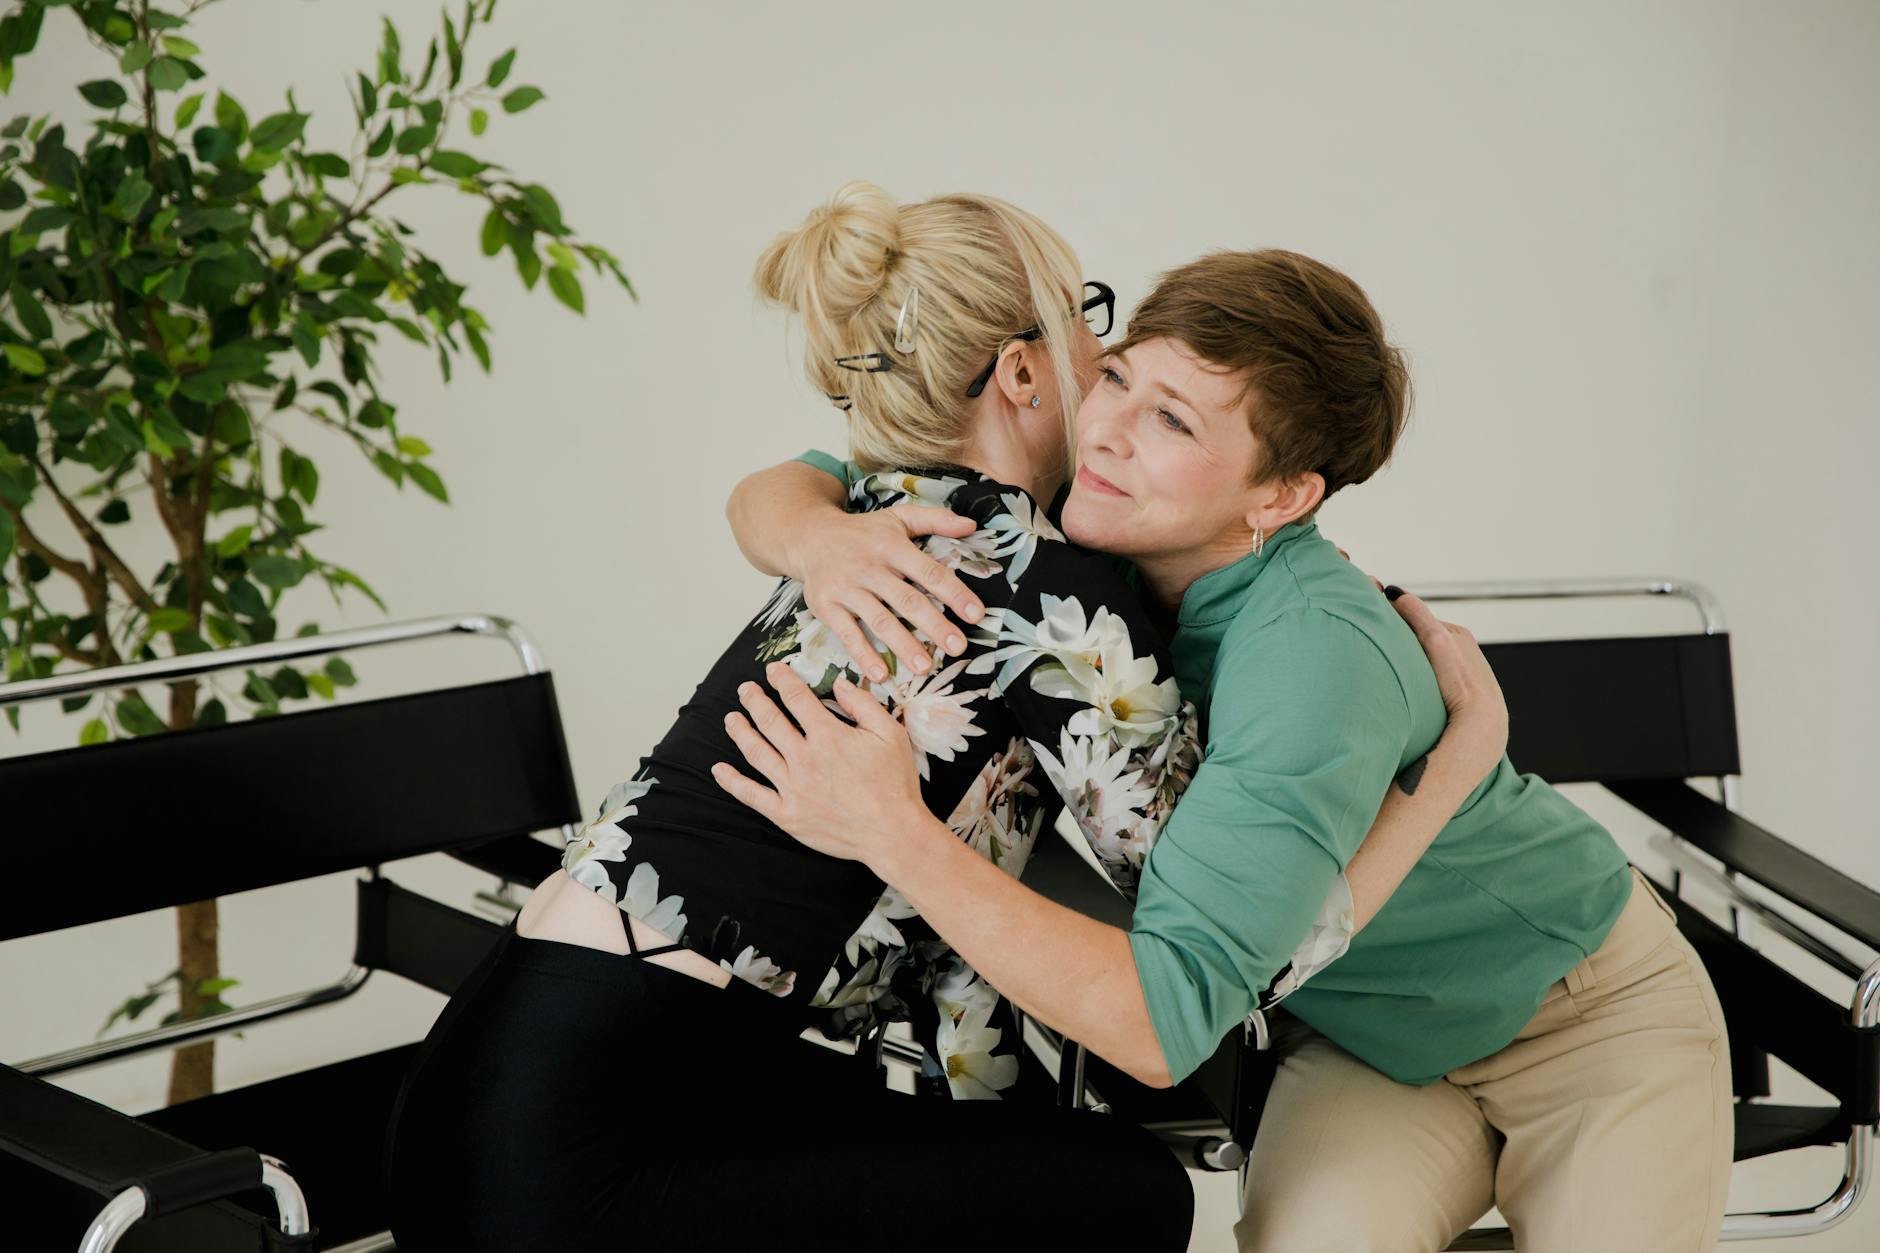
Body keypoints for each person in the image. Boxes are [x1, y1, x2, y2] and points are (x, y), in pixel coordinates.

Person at [382, 184, 1507, 1253]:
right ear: (1021, 373)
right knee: (1129, 1199)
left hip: (481, 1100)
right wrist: (1452, 770)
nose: (1104, 381)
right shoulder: (1044, 584)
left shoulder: (873, 516)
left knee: (1035, 1171)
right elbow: (1222, 960)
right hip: (583, 1165)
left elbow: (952, 949)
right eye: (1089, 335)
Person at [721, 248, 1736, 1251]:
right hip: (1364, 1038)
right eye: (1116, 375)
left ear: (1281, 496)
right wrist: (820, 541)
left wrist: (893, 830)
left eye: (1173, 419)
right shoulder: (1098, 489)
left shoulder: (1310, 658)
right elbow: (803, 478)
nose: (1110, 428)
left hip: (1580, 1018)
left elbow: (1163, 1023)